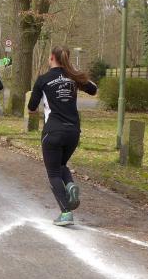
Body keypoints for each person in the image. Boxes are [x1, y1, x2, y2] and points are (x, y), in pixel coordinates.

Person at [28, 45, 98, 226]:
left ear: (52, 57)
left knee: (53, 173)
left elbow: (31, 106)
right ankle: (70, 185)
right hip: (73, 132)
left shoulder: (43, 79)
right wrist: (74, 72)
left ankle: (66, 212)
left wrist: (35, 112)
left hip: (53, 131)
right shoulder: (73, 77)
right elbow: (93, 89)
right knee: (61, 165)